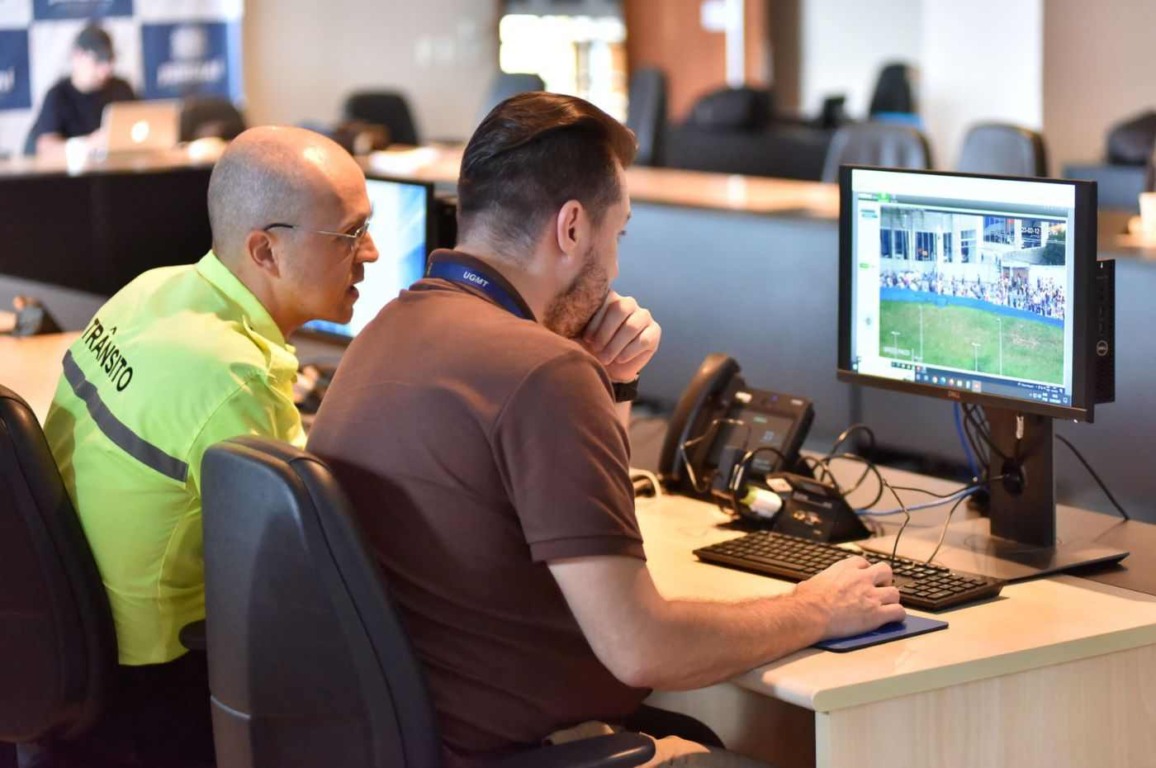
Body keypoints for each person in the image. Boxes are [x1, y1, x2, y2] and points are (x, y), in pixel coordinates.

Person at [306, 92, 904, 767]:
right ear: (570, 228)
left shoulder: (388, 328)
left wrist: (608, 384)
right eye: (616, 234)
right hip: (520, 751)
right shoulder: (540, 372)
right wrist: (817, 608)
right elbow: (642, 646)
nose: (616, 268)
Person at [42, 125, 379, 763]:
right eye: (351, 235)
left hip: (67, 645)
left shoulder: (151, 289)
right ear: (266, 252)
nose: (374, 254)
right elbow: (307, 571)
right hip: (154, 689)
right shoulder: (235, 378)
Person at [24, 24, 137, 158]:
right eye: (98, 61)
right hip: (71, 177)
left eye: (109, 60)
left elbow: (145, 127)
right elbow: (45, 149)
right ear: (77, 56)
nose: (106, 69)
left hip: (118, 172)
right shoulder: (58, 95)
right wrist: (88, 145)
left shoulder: (122, 88)